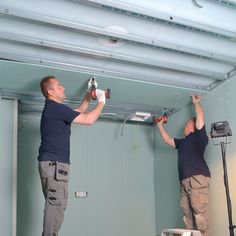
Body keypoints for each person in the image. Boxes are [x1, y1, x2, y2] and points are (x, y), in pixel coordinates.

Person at [37, 75, 105, 236]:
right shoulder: (55, 107)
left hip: (51, 164)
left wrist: (89, 94)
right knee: (56, 204)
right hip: (55, 164)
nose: (63, 88)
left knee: (56, 204)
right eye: (59, 85)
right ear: (50, 91)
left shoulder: (56, 109)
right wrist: (102, 101)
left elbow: (80, 111)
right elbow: (88, 119)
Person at [156, 95, 210, 236]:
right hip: (185, 182)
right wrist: (159, 125)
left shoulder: (199, 138)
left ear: (193, 127)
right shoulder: (182, 143)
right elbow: (168, 140)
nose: (184, 127)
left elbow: (200, 118)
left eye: (186, 124)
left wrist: (196, 103)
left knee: (200, 216)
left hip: (197, 179)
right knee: (188, 218)